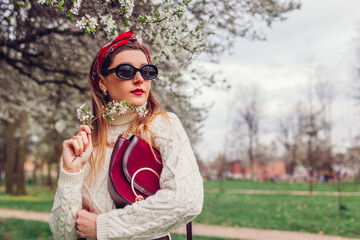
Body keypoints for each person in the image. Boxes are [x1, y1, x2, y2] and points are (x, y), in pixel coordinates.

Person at [49, 31, 204, 240]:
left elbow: (186, 201)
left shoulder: (162, 125)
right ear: (102, 82)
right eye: (126, 71)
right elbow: (62, 235)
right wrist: (71, 172)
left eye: (146, 71)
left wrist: (104, 227)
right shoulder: (85, 144)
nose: (139, 79)